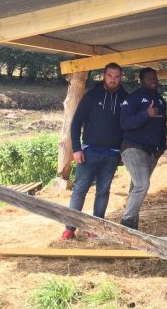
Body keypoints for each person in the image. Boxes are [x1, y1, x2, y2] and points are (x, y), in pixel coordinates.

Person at [62, 63, 127, 240]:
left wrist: (123, 151)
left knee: (103, 192)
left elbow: (129, 127)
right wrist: (76, 149)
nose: (113, 80)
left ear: (121, 77)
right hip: (89, 152)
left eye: (116, 76)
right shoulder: (92, 96)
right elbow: (76, 124)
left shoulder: (126, 99)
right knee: (79, 190)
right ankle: (70, 228)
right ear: (103, 76)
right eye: (110, 76)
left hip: (112, 154)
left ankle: (96, 228)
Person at [119, 67, 167, 230]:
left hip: (152, 150)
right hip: (133, 147)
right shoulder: (133, 99)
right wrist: (146, 114)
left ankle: (132, 227)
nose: (153, 80)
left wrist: (162, 146)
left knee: (136, 187)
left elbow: (163, 125)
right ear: (141, 80)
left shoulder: (160, 100)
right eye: (148, 77)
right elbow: (125, 124)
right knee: (142, 185)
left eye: (154, 77)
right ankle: (126, 221)